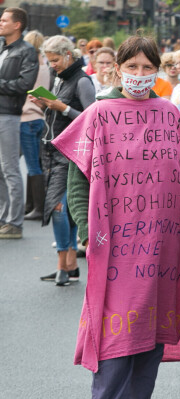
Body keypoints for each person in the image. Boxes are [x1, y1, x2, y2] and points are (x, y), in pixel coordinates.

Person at [53, 33, 180, 399]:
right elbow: (78, 181)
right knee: (115, 330)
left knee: (152, 329)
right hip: (116, 245)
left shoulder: (169, 114)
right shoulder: (100, 114)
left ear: (157, 71)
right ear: (116, 69)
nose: (140, 75)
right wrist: (88, 234)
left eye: (148, 68)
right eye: (132, 67)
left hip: (164, 243)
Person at [30, 35, 94, 285]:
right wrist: (45, 104)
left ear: (68, 54)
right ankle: (68, 264)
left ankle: (64, 264)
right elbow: (59, 112)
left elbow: (93, 118)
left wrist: (62, 108)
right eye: (49, 60)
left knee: (58, 206)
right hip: (54, 151)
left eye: (55, 60)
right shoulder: (61, 78)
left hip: (72, 154)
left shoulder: (82, 81)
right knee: (63, 209)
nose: (52, 64)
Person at [0, 7, 39, 239]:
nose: (0, 23)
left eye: (4, 20)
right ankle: (4, 218)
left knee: (10, 169)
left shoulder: (27, 51)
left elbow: (24, 84)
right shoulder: (2, 47)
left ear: (17, 25)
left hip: (10, 115)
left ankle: (15, 223)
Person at [21, 30, 48, 221]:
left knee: (29, 165)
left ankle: (37, 206)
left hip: (25, 117)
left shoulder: (27, 66)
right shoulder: (45, 66)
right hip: (40, 118)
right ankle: (31, 205)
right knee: (36, 162)